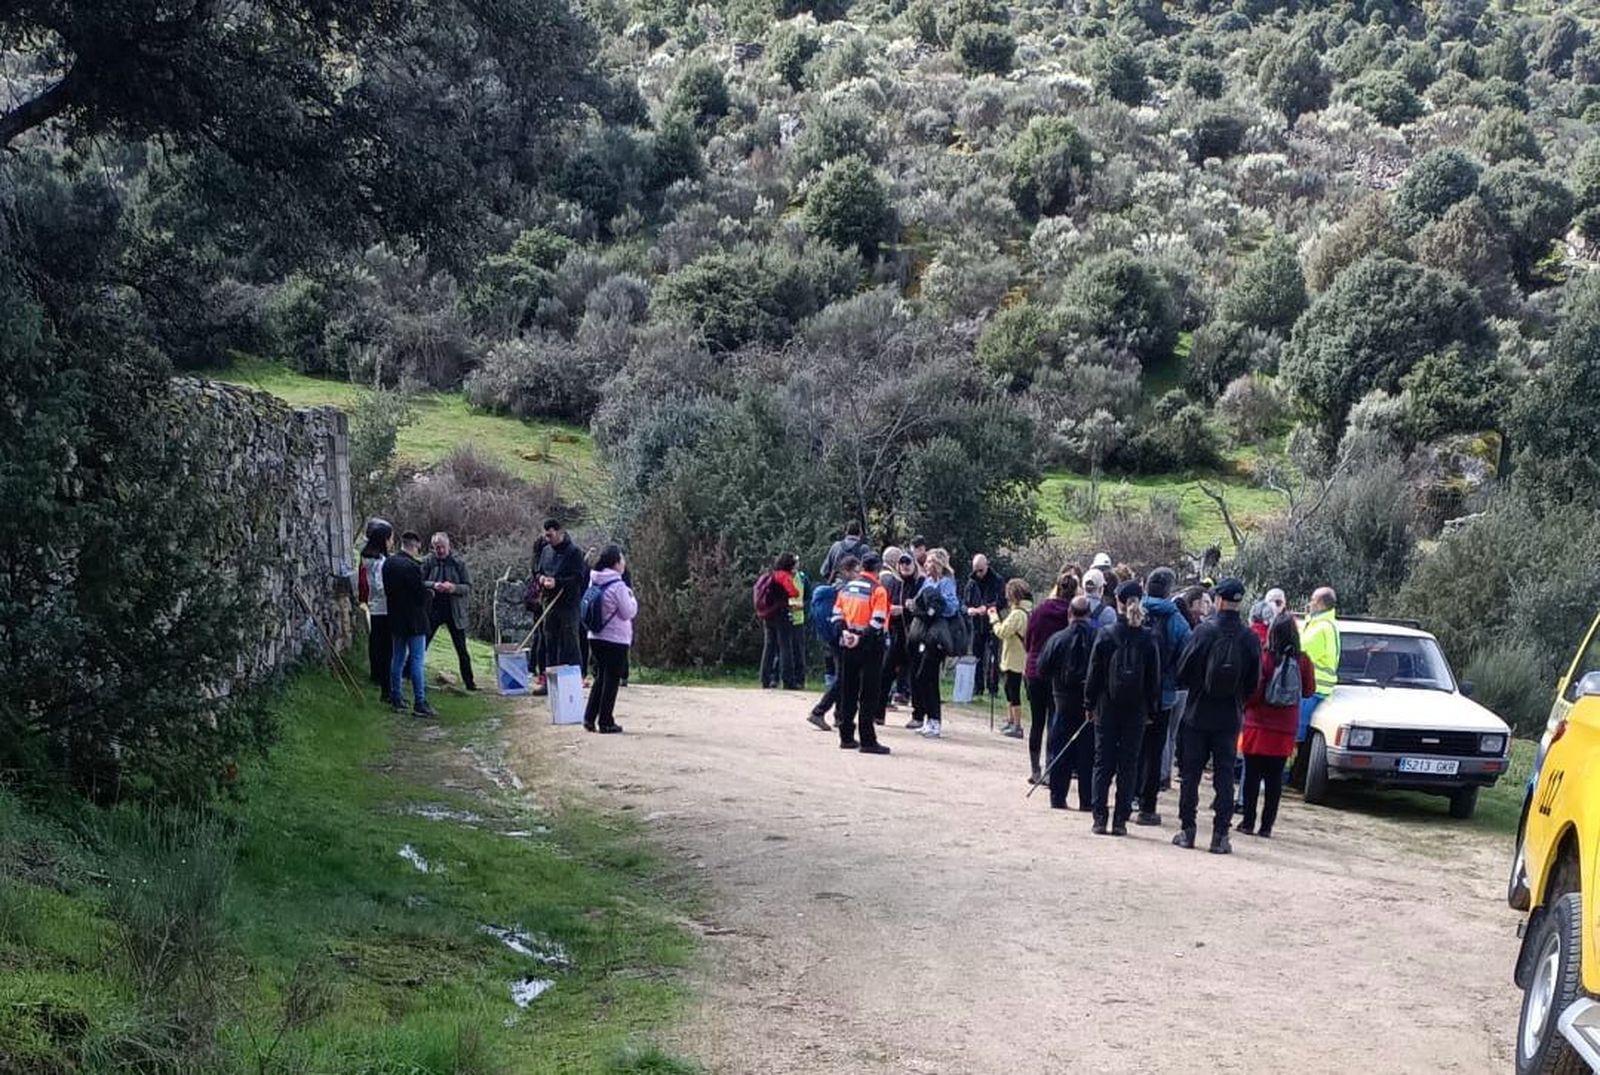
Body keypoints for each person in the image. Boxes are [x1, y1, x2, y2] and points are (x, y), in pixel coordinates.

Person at [1172, 578, 1262, 855]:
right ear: (1239, 602)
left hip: (1198, 713)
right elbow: (1253, 681)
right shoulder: (1249, 638)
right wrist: (1238, 700)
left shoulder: (1204, 631)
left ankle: (1188, 830)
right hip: (1229, 715)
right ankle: (1220, 835)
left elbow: (1183, 671)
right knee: (1224, 777)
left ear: (1220, 600)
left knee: (1191, 775)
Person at [1084, 581, 1160, 836]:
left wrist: (1089, 703)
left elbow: (1094, 673)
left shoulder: (1106, 634)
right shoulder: (1149, 638)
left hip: (1107, 705)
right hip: (1136, 710)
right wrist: (1151, 709)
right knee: (1129, 765)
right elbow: (1153, 680)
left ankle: (1099, 818)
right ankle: (1120, 821)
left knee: (1102, 763)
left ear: (1117, 601)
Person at [1239, 613, 1315, 837]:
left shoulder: (1265, 658)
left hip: (1258, 725)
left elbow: (1253, 692)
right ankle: (1266, 827)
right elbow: (1309, 690)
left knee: (1251, 777)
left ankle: (1248, 822)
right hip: (1285, 728)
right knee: (1275, 781)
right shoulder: (1303, 661)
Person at [1135, 567, 1192, 827]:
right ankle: (1148, 806)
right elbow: (1188, 654)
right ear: (1170, 590)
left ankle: (1127, 800)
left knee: (1131, 748)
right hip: (1164, 694)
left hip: (1132, 693)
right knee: (1154, 750)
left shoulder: (1135, 609)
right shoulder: (1177, 620)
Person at [1036, 595, 1097, 811]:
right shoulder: (1098, 637)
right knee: (1088, 754)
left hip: (1061, 702)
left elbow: (1042, 669)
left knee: (1059, 749)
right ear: (1089, 614)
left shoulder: (1057, 639)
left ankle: (1058, 797)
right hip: (1090, 706)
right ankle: (1087, 801)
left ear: (1069, 613)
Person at [831, 556, 892, 755]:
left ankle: (846, 736)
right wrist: (861, 638)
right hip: (870, 647)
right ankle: (868, 740)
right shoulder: (878, 590)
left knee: (847, 690)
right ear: (877, 569)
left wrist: (846, 633)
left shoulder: (846, 588)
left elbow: (836, 615)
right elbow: (877, 621)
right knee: (869, 693)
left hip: (847, 644)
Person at [1022, 570, 1080, 777]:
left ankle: (1034, 769)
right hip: (1058, 674)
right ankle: (1050, 767)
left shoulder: (1040, 610)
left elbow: (1028, 641)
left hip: (1035, 669)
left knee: (1036, 721)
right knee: (1054, 721)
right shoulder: (1071, 615)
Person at [583, 545, 637, 734]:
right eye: (622, 560)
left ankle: (589, 718)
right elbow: (628, 612)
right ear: (615, 563)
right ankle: (606, 721)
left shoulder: (594, 580)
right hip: (615, 639)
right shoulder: (618, 586)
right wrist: (632, 598)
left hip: (595, 636)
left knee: (601, 678)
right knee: (612, 679)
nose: (624, 563)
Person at [908, 548, 961, 739]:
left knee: (928, 676)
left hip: (937, 636)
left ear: (938, 565)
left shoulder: (946, 583)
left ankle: (935, 720)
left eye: (930, 562)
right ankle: (929, 719)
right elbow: (917, 601)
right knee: (922, 677)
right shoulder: (927, 582)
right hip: (924, 633)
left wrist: (935, 608)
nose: (926, 565)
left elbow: (952, 607)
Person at [382, 531, 436, 718]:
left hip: (395, 617)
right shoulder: (413, 567)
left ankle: (396, 697)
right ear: (416, 546)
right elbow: (420, 595)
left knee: (396, 658)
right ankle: (420, 702)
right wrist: (430, 594)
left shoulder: (388, 563)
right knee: (416, 660)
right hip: (414, 620)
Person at [534, 519, 588, 690]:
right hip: (548, 602)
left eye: (550, 535)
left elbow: (579, 578)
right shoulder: (545, 551)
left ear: (559, 532)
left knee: (570, 642)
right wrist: (541, 579)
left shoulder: (574, 552)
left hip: (568, 604)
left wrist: (557, 582)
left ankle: (574, 680)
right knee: (550, 642)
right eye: (546, 535)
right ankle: (550, 683)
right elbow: (538, 571)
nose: (548, 538)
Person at [421, 532, 476, 691]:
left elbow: (467, 587)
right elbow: (419, 581)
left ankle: (469, 682)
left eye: (442, 547)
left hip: (454, 611)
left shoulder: (458, 563)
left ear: (448, 546)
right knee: (423, 643)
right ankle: (409, 674)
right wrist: (434, 585)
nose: (440, 551)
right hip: (433, 609)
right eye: (437, 548)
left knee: (461, 649)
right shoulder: (428, 562)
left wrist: (453, 588)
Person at [989, 578, 1032, 739]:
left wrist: (994, 619)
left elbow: (1002, 632)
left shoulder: (1017, 614)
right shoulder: (1028, 611)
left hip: (1014, 657)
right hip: (1020, 656)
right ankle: (1011, 720)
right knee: (1009, 688)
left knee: (1012, 690)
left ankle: (1017, 724)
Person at [1299, 586, 1341, 748]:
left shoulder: (1321, 628)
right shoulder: (1326, 624)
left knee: (1298, 733)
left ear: (1321, 604)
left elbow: (1302, 653)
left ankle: (1289, 772)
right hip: (1319, 687)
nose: (1310, 603)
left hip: (1312, 688)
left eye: (1313, 600)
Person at [358, 518, 394, 702]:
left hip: (373, 605)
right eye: (390, 538)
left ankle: (377, 675)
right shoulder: (380, 561)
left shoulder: (366, 556)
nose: (392, 542)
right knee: (386, 647)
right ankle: (385, 683)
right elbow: (380, 585)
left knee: (376, 642)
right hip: (384, 607)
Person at [758, 552, 805, 691]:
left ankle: (765, 679)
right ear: (789, 565)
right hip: (781, 614)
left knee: (769, 647)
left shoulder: (770, 575)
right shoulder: (784, 576)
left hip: (768, 615)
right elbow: (794, 593)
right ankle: (788, 680)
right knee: (785, 647)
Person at [964, 554, 1007, 699]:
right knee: (977, 656)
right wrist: (968, 610)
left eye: (981, 570)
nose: (978, 574)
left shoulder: (998, 580)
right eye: (976, 570)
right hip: (976, 625)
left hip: (992, 623)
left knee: (993, 656)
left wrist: (987, 608)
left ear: (987, 565)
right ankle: (978, 687)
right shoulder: (971, 581)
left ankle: (993, 687)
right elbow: (964, 602)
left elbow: (1002, 601)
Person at [807, 572, 843, 732]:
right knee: (843, 678)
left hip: (829, 639)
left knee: (842, 677)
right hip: (841, 638)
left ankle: (839, 715)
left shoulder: (822, 594)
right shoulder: (841, 593)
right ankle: (820, 711)